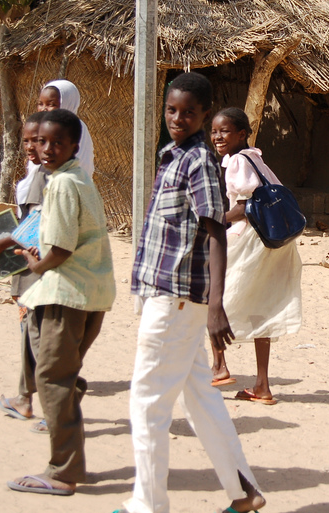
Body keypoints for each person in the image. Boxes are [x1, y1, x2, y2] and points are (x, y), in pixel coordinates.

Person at [122, 73, 265, 513]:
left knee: (146, 402)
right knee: (201, 397)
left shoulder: (199, 161)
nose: (177, 119)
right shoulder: (172, 156)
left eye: (188, 112)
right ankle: (243, 493)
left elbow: (214, 231)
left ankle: (148, 505)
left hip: (177, 297)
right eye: (171, 110)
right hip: (164, 294)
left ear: (205, 114)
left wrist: (215, 305)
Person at [6, 108, 116, 496]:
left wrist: (36, 265)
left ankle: (63, 471)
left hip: (68, 293)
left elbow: (62, 249)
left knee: (52, 378)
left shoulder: (65, 184)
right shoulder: (74, 179)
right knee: (49, 368)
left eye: (56, 143)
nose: (46, 148)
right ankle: (65, 410)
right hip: (86, 294)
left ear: (74, 146)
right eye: (40, 141)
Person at [208, 107, 302, 404]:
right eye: (214, 131)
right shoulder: (255, 157)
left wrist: (218, 219)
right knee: (262, 305)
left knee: (211, 294)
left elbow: (245, 207)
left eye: (224, 131)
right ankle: (261, 385)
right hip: (272, 243)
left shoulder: (237, 161)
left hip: (249, 240)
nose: (217, 136)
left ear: (242, 134)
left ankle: (219, 365)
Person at [0, 111, 48, 429]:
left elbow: (37, 224)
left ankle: (56, 409)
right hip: (26, 261)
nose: (30, 146)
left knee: (38, 337)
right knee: (29, 334)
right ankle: (25, 397)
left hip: (37, 265)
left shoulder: (48, 176)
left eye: (36, 140)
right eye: (26, 140)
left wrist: (2, 242)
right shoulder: (35, 171)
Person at [37, 79, 95, 176]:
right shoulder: (41, 129)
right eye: (40, 104)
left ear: (67, 103)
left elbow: (82, 166)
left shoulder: (75, 128)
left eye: (51, 104)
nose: (44, 109)